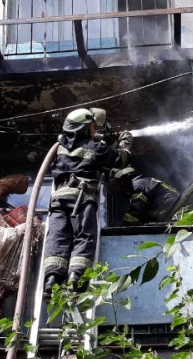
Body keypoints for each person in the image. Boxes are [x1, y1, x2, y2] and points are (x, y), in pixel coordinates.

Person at [43, 108, 132, 293]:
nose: (94, 130)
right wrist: (125, 143)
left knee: (58, 236)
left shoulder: (59, 147)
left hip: (59, 200)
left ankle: (52, 280)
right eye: (92, 127)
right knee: (84, 235)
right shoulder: (95, 148)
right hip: (82, 198)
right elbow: (119, 160)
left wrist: (103, 139)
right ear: (83, 129)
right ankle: (76, 278)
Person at [111, 165, 180, 225]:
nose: (114, 190)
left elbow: (135, 214)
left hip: (174, 212)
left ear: (123, 181)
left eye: (114, 185)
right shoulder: (143, 181)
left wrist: (116, 229)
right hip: (174, 210)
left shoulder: (138, 185)